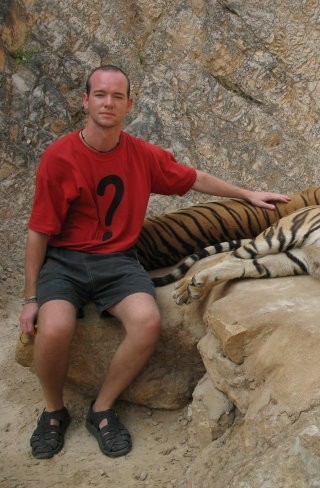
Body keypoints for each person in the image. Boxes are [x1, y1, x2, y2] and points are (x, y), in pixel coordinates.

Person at [18, 65, 290, 459]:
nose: (107, 103)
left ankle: (102, 408)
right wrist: (30, 299)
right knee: (54, 326)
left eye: (116, 96)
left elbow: (194, 177)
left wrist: (247, 194)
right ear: (85, 101)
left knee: (147, 321)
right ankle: (53, 411)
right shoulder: (60, 157)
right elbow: (38, 231)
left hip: (118, 261)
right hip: (65, 261)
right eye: (99, 94)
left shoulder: (141, 154)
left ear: (129, 104)